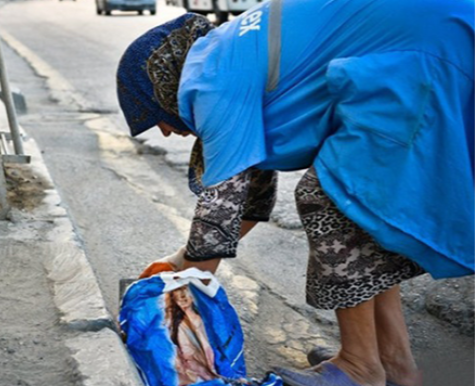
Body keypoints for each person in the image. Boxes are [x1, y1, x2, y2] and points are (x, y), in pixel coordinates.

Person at [116, 0, 475, 385]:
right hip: (439, 31)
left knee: (336, 196)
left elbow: (219, 216)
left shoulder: (211, 77)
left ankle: (359, 366)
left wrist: (171, 295)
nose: (166, 132)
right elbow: (249, 201)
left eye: (153, 117)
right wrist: (174, 264)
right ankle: (395, 365)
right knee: (365, 213)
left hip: (430, 47)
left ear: (161, 82)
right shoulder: (227, 54)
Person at [165, 286, 219, 385]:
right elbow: (185, 347)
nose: (182, 303)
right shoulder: (182, 324)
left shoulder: (202, 318)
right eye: (179, 300)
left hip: (208, 358)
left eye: (185, 299)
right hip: (194, 362)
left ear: (192, 298)